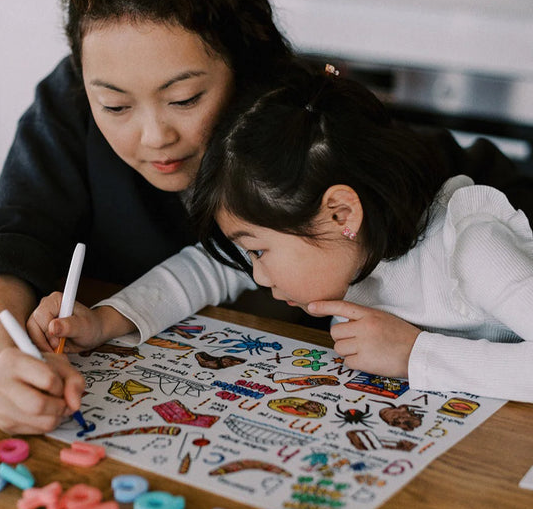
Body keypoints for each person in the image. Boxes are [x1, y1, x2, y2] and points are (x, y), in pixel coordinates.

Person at [0, 0, 533, 434]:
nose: (153, 137)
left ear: (247, 76)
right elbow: (12, 235)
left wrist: (423, 351)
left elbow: (472, 194)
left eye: (183, 97)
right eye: (116, 106)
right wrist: (7, 357)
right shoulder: (74, 100)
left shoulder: (309, 137)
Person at [34, 65, 533, 403]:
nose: (254, 270)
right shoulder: (349, 241)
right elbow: (206, 268)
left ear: (341, 214)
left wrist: (416, 355)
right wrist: (104, 321)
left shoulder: (474, 249)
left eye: (259, 250)